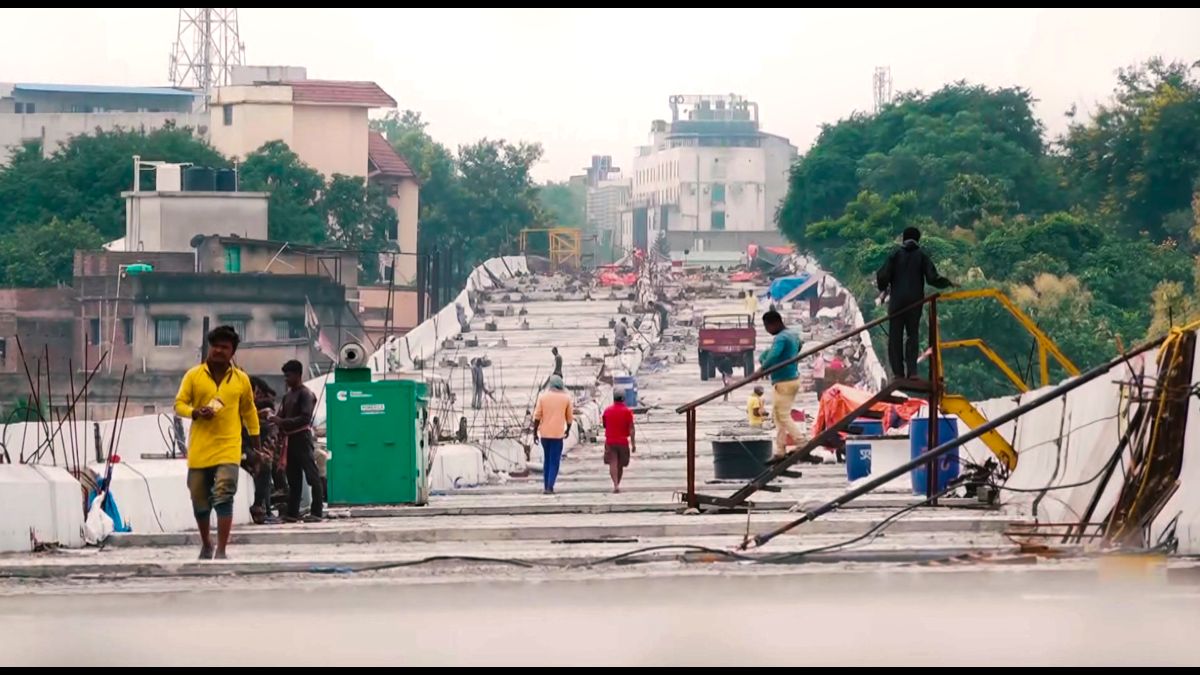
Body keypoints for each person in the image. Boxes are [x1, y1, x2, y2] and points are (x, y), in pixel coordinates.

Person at [174, 325, 260, 560]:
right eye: (215, 346)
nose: (219, 351)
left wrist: (256, 445)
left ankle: (222, 549)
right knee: (199, 500)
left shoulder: (241, 380)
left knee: (224, 494)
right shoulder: (193, 376)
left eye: (225, 347)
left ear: (233, 352)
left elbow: (249, 412)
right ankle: (206, 544)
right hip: (200, 449)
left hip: (229, 448)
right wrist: (195, 412)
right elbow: (179, 404)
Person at [875, 226, 953, 380]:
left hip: (897, 303)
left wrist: (883, 288)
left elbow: (882, 275)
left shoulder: (895, 254)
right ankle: (912, 372)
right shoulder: (922, 256)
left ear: (904, 238)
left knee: (895, 336)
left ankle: (898, 373)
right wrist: (947, 283)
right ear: (918, 239)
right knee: (912, 335)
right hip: (914, 303)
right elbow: (933, 278)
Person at [272, 359, 324, 522]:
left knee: (312, 476)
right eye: (285, 376)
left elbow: (305, 418)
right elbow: (280, 416)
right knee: (293, 478)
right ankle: (292, 513)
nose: (286, 379)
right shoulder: (287, 396)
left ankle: (317, 512)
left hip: (302, 438)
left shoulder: (306, 394)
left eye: (288, 376)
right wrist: (275, 421)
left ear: (298, 375)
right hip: (289, 440)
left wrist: (282, 422)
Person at [757, 310, 806, 461]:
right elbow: (799, 346)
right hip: (790, 379)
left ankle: (802, 443)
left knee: (782, 415)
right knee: (777, 416)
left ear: (775, 323)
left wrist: (761, 370)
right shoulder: (792, 335)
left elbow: (774, 355)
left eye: (767, 326)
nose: (767, 330)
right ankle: (780, 450)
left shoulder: (781, 337)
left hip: (785, 381)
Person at [242, 376, 278, 524]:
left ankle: (264, 507)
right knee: (264, 464)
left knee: (266, 462)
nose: (255, 396)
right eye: (254, 392)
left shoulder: (252, 407)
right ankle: (260, 506)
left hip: (247, 447)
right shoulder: (238, 405)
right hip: (236, 448)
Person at [533, 374, 574, 494]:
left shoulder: (543, 397)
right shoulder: (566, 398)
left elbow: (537, 416)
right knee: (554, 461)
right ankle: (550, 486)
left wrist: (535, 433)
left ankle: (546, 485)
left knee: (547, 460)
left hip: (544, 435)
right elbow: (569, 418)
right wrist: (568, 430)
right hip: (557, 435)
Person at [601, 390, 636, 493]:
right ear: (624, 399)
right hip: (623, 441)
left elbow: (604, 424)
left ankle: (615, 484)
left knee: (613, 463)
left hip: (610, 441)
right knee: (620, 465)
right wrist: (633, 444)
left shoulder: (607, 411)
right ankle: (618, 483)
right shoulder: (627, 412)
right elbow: (631, 429)